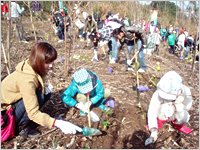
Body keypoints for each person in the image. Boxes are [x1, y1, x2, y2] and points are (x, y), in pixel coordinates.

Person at [1, 43, 81, 142]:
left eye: (52, 62)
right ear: (38, 60)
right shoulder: (27, 80)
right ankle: (21, 128)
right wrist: (58, 123)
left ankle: (25, 121)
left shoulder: (29, 65)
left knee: (44, 93)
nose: (51, 66)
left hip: (9, 106)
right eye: (47, 62)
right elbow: (33, 113)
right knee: (39, 96)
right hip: (4, 117)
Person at [145, 71, 192, 145]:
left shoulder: (185, 92)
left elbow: (187, 106)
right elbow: (152, 111)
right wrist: (153, 129)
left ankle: (177, 125)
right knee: (163, 109)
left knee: (184, 116)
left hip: (178, 110)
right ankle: (159, 123)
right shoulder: (157, 94)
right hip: (163, 112)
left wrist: (175, 107)